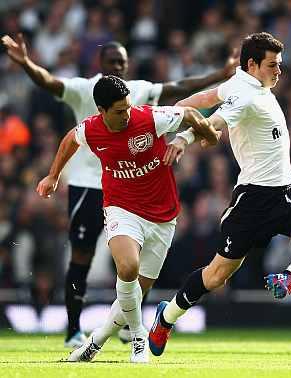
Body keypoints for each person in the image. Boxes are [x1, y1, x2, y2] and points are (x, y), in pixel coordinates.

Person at [1, 34, 237, 348]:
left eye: (122, 62)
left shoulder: (136, 91)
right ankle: (73, 328)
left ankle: (129, 323)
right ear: (101, 64)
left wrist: (221, 75)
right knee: (82, 255)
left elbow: (180, 88)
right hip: (89, 183)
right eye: (112, 62)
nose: (118, 66)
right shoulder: (85, 88)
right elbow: (48, 83)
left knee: (139, 261)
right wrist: (27, 63)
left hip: (132, 186)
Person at [148, 32, 291, 357]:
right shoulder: (245, 96)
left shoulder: (245, 83)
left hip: (288, 193)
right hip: (253, 203)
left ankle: (290, 276)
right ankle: (167, 316)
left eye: (280, 64)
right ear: (252, 64)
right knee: (216, 276)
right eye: (273, 65)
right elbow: (216, 119)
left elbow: (208, 98)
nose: (279, 71)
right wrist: (184, 137)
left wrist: (177, 109)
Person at [36, 75, 219, 363]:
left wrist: (207, 134)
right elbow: (71, 139)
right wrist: (53, 175)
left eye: (128, 108)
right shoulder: (92, 130)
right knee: (128, 266)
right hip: (121, 207)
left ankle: (95, 341)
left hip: (162, 215)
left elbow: (190, 113)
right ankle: (138, 337)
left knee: (133, 294)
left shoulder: (149, 118)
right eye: (120, 111)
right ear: (101, 111)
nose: (127, 114)